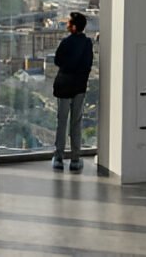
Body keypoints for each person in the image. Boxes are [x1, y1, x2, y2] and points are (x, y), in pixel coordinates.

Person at [52, 12, 93, 173]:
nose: (67, 25)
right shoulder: (87, 43)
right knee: (76, 122)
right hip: (79, 87)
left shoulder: (66, 42)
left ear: (74, 26)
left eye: (69, 23)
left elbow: (57, 61)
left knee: (62, 122)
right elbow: (88, 65)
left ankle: (59, 157)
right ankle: (75, 158)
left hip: (63, 86)